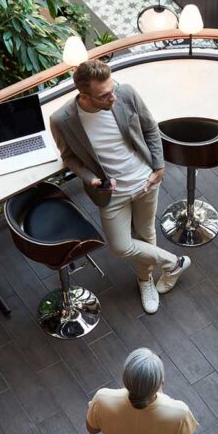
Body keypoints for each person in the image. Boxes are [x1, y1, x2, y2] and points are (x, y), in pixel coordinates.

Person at [50, 60, 190, 315]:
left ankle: (145, 280)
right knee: (120, 246)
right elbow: (68, 156)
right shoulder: (62, 119)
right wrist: (91, 178)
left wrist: (158, 168)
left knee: (146, 233)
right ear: (84, 94)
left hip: (145, 180)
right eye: (104, 96)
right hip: (110, 192)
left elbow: (150, 127)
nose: (112, 97)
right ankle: (175, 263)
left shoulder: (125, 93)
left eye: (111, 88)